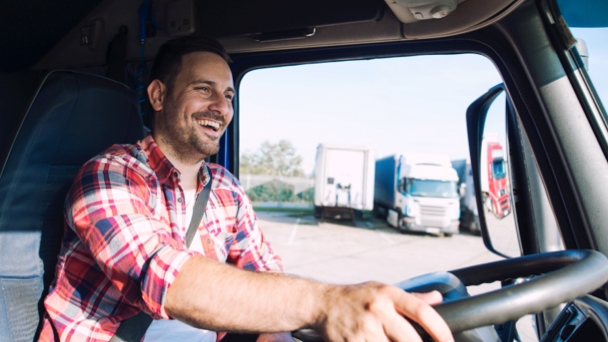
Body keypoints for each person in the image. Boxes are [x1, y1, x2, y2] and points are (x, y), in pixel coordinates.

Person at [39, 36, 454, 342]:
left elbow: (264, 275)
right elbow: (165, 278)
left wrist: (271, 335)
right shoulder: (109, 174)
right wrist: (327, 302)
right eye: (204, 89)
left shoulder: (225, 189)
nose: (221, 107)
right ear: (159, 95)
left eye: (229, 95)